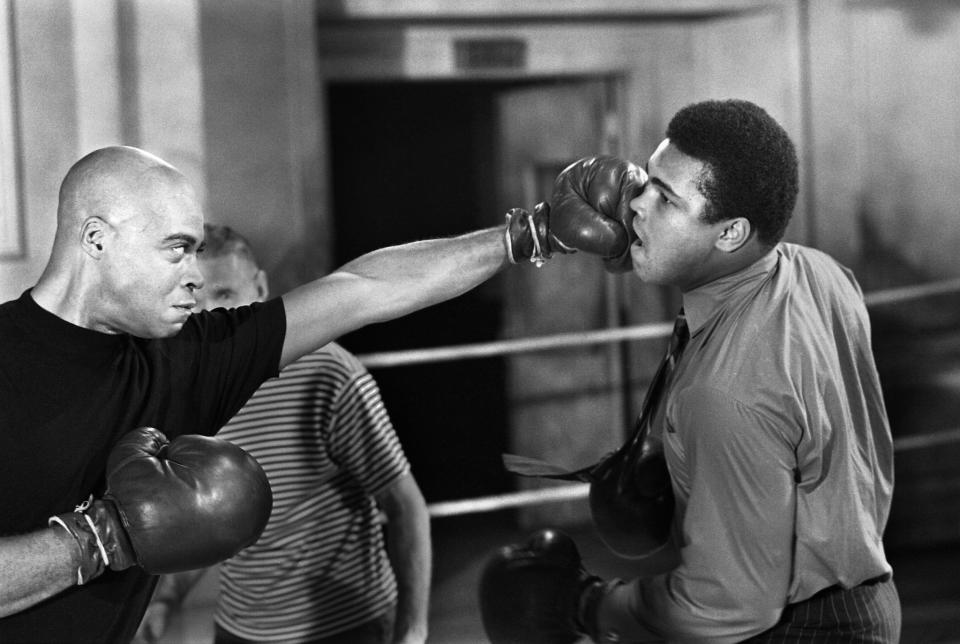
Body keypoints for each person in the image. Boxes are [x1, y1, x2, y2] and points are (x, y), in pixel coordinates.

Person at [0, 144, 636, 642]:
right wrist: (100, 539)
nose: (196, 278)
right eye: (176, 252)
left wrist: (530, 233)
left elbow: (365, 287)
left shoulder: (183, 358)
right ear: (95, 239)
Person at [480, 99, 900, 642]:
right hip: (870, 604)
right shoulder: (820, 272)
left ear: (730, 234)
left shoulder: (723, 394)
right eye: (647, 181)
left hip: (800, 629)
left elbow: (728, 606)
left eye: (667, 199)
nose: (636, 207)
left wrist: (587, 604)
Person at [134, 223, 432, 644]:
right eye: (196, 300)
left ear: (259, 287)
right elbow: (218, 522)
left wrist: (413, 632)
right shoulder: (188, 391)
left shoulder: (328, 372)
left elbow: (405, 507)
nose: (206, 319)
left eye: (224, 297)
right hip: (241, 632)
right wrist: (165, 599)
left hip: (347, 626)